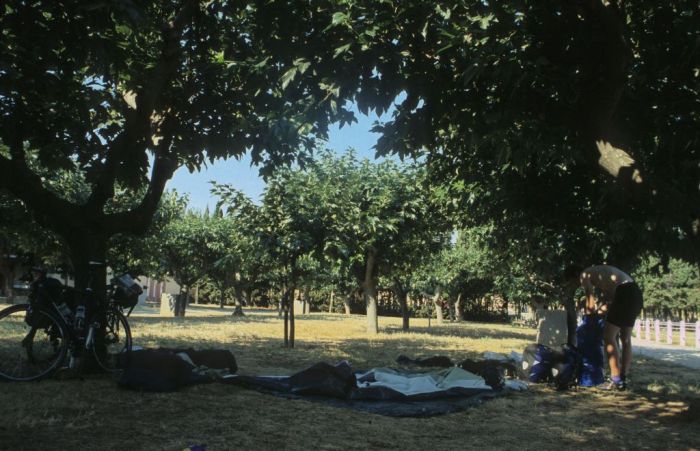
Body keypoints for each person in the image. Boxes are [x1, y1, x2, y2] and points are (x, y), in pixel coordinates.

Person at [576, 264, 644, 390]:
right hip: (635, 293)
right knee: (626, 339)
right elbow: (612, 301)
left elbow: (590, 301)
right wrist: (602, 310)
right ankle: (622, 379)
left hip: (624, 293)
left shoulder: (584, 274)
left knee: (608, 337)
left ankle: (615, 379)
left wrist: (589, 321)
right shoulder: (601, 273)